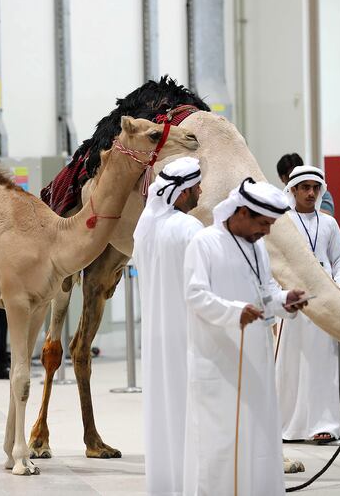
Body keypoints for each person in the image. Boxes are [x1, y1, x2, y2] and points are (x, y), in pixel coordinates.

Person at [182, 177, 309, 495]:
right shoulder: (205, 242)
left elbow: (265, 292)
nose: (266, 231)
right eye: (263, 223)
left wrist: (284, 301)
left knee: (259, 440)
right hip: (217, 362)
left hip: (256, 361)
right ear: (241, 213)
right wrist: (234, 311)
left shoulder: (257, 249)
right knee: (220, 447)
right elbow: (195, 296)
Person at [133, 157, 203, 496]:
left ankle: (165, 485)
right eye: (196, 187)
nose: (201, 192)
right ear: (182, 193)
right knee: (188, 412)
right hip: (188, 335)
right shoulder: (189, 229)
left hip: (156, 336)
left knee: (163, 410)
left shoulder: (144, 227)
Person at [275, 166, 340, 444]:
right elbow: (276, 262)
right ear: (293, 189)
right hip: (293, 298)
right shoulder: (281, 222)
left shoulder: (329, 223)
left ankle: (326, 424)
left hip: (325, 298)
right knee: (293, 364)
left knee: (324, 362)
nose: (310, 193)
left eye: (315, 188)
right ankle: (290, 427)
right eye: (304, 187)